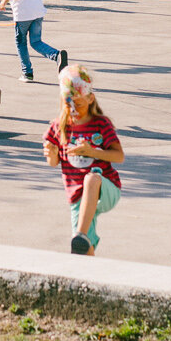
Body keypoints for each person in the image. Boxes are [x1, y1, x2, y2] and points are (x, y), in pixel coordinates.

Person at [45, 63, 124, 255]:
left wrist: (92, 152)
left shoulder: (100, 124)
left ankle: (81, 232)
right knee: (80, 248)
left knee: (92, 178)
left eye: (78, 104)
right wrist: (52, 154)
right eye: (68, 104)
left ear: (90, 98)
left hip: (106, 189)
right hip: (77, 197)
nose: (73, 109)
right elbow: (53, 163)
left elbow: (119, 156)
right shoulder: (58, 127)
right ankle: (85, 249)